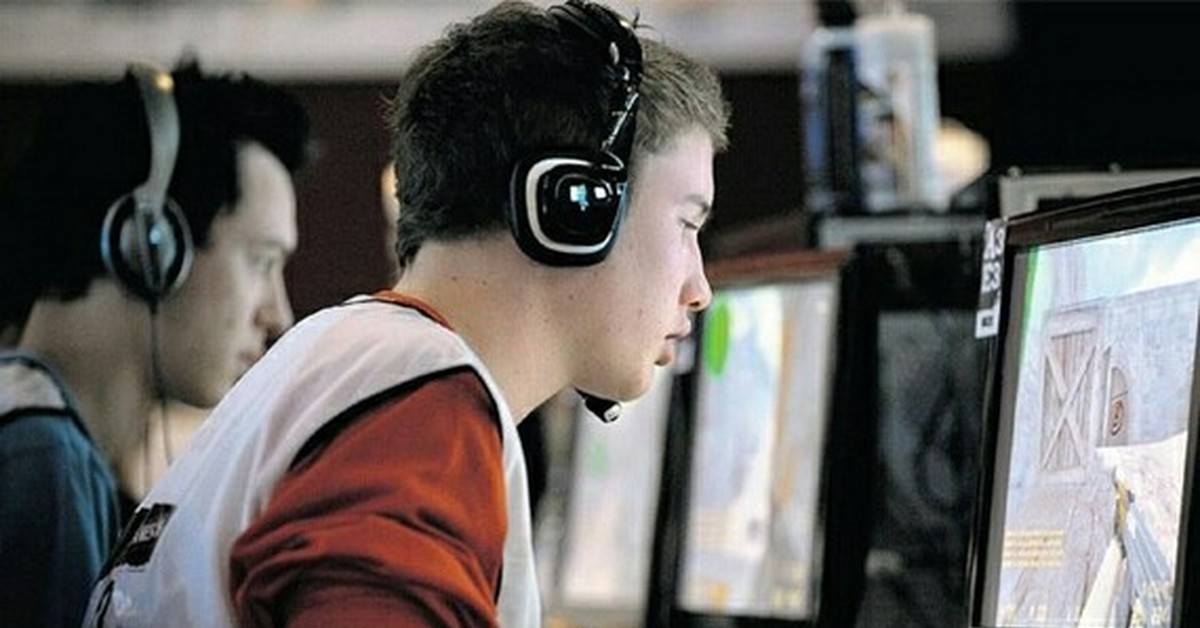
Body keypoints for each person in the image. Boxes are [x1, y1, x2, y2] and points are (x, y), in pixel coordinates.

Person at [86, 1, 729, 626]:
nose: (699, 288)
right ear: (571, 208)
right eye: (686, 224)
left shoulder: (344, 361)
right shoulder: (424, 418)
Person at [0, 59, 310, 627]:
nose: (278, 316)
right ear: (153, 247)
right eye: (261, 262)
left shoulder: (42, 445)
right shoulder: (41, 463)